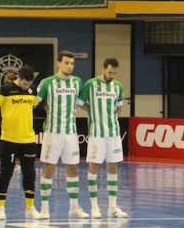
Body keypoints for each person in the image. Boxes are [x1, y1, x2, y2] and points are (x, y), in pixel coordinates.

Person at [36, 51, 86, 219]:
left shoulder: (77, 82)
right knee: (49, 167)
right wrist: (48, 110)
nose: (69, 66)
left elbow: (81, 103)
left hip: (70, 132)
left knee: (73, 168)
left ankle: (74, 207)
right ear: (58, 63)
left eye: (72, 63)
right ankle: (44, 208)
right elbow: (37, 102)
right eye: (66, 63)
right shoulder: (47, 82)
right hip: (52, 132)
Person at [78, 58, 128, 219]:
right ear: (103, 69)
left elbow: (119, 106)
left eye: (114, 73)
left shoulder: (118, 86)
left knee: (113, 167)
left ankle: (113, 206)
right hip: (97, 134)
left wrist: (112, 119)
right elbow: (80, 102)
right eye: (109, 72)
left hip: (113, 133)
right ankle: (94, 207)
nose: (111, 75)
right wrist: (91, 110)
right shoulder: (90, 84)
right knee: (94, 167)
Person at [0, 65, 40, 220]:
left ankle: (30, 207)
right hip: (9, 139)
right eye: (24, 84)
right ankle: (0, 207)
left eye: (29, 84)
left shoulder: (33, 90)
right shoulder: (5, 89)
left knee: (30, 173)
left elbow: (35, 106)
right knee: (6, 172)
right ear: (19, 78)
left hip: (28, 139)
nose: (26, 87)